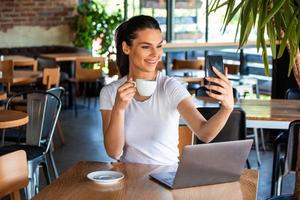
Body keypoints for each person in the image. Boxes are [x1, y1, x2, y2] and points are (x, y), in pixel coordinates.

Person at [100, 15, 234, 165]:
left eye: (159, 46)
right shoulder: (110, 92)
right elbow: (114, 152)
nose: (155, 54)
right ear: (126, 48)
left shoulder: (170, 87)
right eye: (145, 46)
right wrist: (118, 108)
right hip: (129, 180)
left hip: (165, 179)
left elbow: (205, 134)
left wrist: (227, 108)